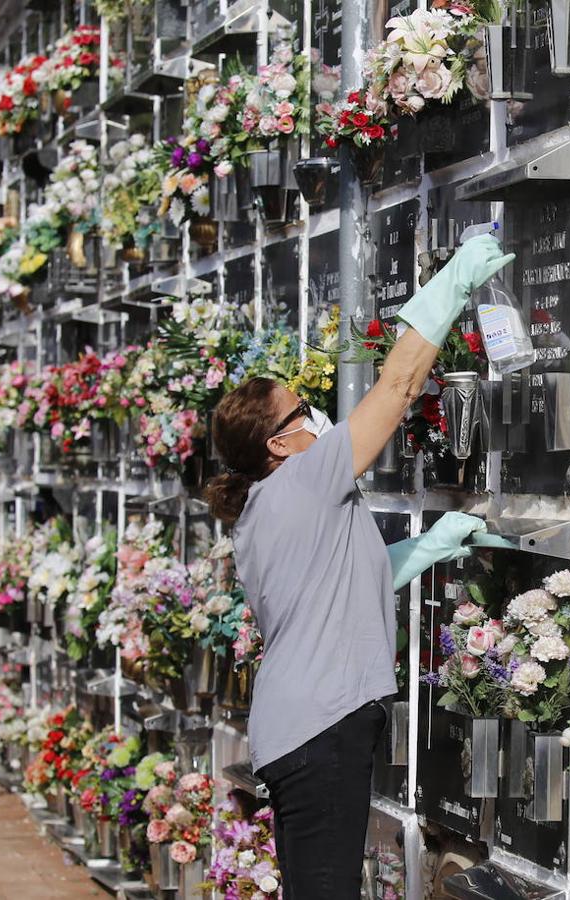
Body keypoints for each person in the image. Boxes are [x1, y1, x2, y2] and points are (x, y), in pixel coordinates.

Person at [202, 232, 514, 899]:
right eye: (302, 411)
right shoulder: (306, 478)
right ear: (280, 442)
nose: (317, 418)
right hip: (320, 728)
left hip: (305, 726)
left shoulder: (269, 507)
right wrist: (454, 284)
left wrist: (427, 548)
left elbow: (336, 586)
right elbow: (400, 386)